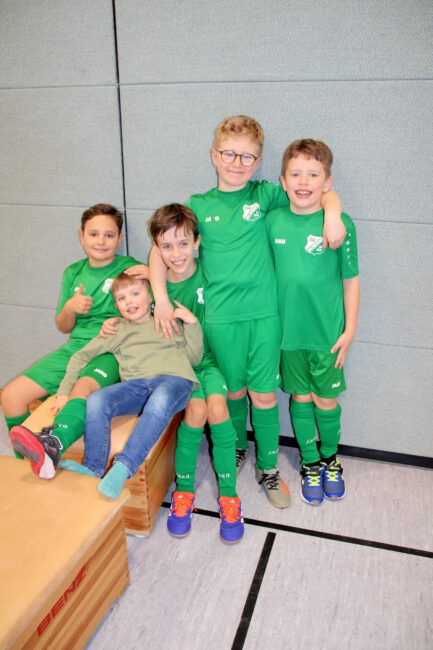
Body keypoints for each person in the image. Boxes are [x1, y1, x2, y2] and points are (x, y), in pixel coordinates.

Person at [150, 115, 346, 509]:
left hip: (265, 318)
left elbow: (317, 191)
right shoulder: (198, 206)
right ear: (214, 155)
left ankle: (268, 467)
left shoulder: (265, 195)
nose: (237, 163)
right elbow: (159, 249)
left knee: (264, 395)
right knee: (234, 392)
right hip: (221, 319)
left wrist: (333, 213)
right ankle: (238, 446)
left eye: (247, 156)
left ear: (258, 162)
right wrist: (161, 298)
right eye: (229, 154)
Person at [7, 203, 144, 478]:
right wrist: (70, 307)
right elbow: (63, 325)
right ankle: (32, 464)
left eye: (109, 235)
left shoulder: (129, 268)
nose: (101, 241)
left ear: (120, 238)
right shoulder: (73, 272)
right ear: (81, 236)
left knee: (82, 388)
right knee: (11, 396)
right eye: (93, 234)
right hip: (76, 348)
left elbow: (157, 284)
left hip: (111, 350)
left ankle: (52, 445)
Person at [266, 139, 360, 505]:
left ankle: (330, 459)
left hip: (327, 335)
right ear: (283, 181)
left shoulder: (340, 224)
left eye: (313, 174)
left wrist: (350, 330)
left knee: (326, 400)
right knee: (300, 397)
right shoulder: (272, 221)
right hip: (287, 335)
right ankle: (309, 462)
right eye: (295, 174)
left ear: (328, 182)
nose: (303, 182)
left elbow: (351, 280)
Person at [56, 273, 202, 503]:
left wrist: (192, 323)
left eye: (135, 293)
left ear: (150, 296)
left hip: (174, 381)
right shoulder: (116, 329)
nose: (129, 301)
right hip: (137, 386)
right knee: (97, 399)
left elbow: (194, 358)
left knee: (160, 398)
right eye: (122, 298)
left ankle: (124, 466)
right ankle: (93, 468)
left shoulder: (167, 321)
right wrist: (64, 392)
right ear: (116, 306)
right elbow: (80, 357)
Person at [150, 204, 244, 544]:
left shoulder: (210, 272)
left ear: (197, 242)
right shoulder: (155, 287)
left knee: (218, 410)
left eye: (183, 243)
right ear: (157, 249)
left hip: (212, 362)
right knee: (196, 412)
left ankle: (229, 497)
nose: (176, 253)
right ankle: (184, 492)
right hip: (179, 369)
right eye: (167, 246)